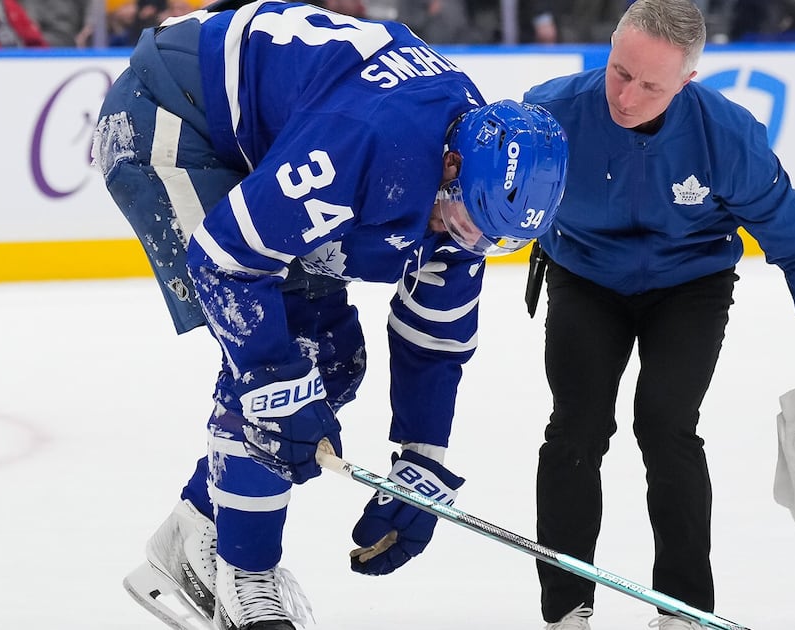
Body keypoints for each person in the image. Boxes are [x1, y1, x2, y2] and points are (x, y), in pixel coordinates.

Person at [91, 2, 568, 629]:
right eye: (465, 221)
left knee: (332, 364)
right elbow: (225, 262)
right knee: (283, 361)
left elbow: (435, 335)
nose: (468, 243)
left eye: (494, 241)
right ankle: (245, 575)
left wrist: (422, 459)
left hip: (278, 130)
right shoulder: (361, 144)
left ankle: (193, 532)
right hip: (174, 112)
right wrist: (270, 379)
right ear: (450, 165)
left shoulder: (475, 183)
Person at [522, 0, 795, 628]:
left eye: (650, 85)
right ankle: (566, 612)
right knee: (575, 430)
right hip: (584, 276)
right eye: (620, 72)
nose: (626, 97)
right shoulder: (548, 114)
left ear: (687, 80)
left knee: (666, 426)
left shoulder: (726, 136)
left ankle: (683, 611)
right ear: (610, 49)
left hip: (689, 286)